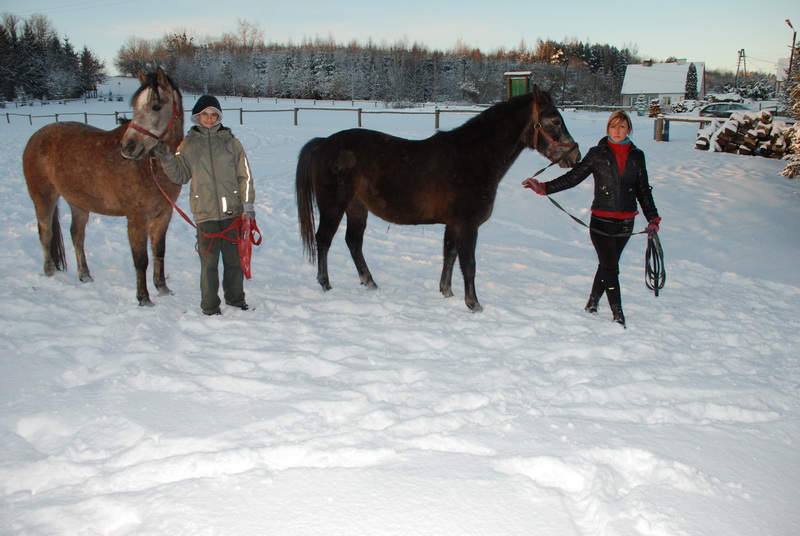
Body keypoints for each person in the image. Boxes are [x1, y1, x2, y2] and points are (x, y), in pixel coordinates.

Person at [522, 110, 660, 328]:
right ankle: (617, 314)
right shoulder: (597, 153)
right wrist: (545, 187)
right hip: (601, 221)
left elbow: (643, 190)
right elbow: (574, 177)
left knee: (608, 264)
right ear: (608, 129)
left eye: (622, 126)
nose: (617, 131)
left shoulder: (637, 155)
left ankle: (592, 303)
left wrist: (653, 218)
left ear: (629, 129)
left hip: (626, 221)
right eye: (614, 126)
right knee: (611, 267)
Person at [154, 95, 256, 316]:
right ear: (197, 117)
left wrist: (247, 206)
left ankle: (236, 299)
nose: (209, 119)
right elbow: (180, 175)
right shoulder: (188, 145)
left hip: (233, 212)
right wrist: (167, 159)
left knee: (234, 261)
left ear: (218, 116)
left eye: (213, 115)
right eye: (205, 115)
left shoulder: (231, 142)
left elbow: (245, 175)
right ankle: (210, 307)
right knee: (208, 265)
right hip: (205, 214)